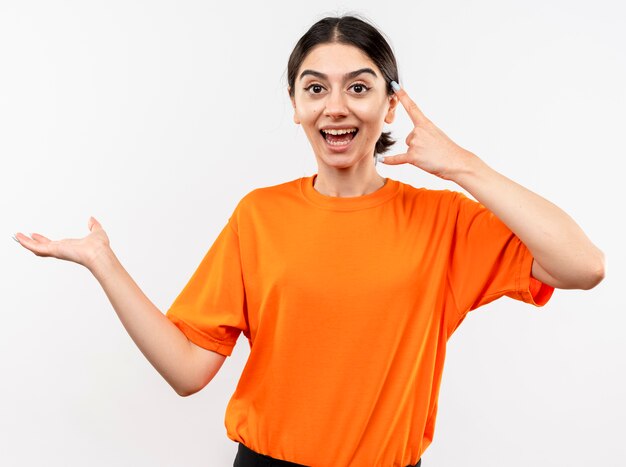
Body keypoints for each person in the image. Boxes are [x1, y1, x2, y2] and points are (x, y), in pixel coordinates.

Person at [13, 15, 605, 467]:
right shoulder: (259, 216)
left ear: (390, 102)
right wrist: (103, 262)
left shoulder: (442, 220)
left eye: (359, 87)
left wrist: (464, 166)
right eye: (315, 88)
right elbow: (188, 370)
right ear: (295, 106)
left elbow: (584, 265)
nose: (336, 106)